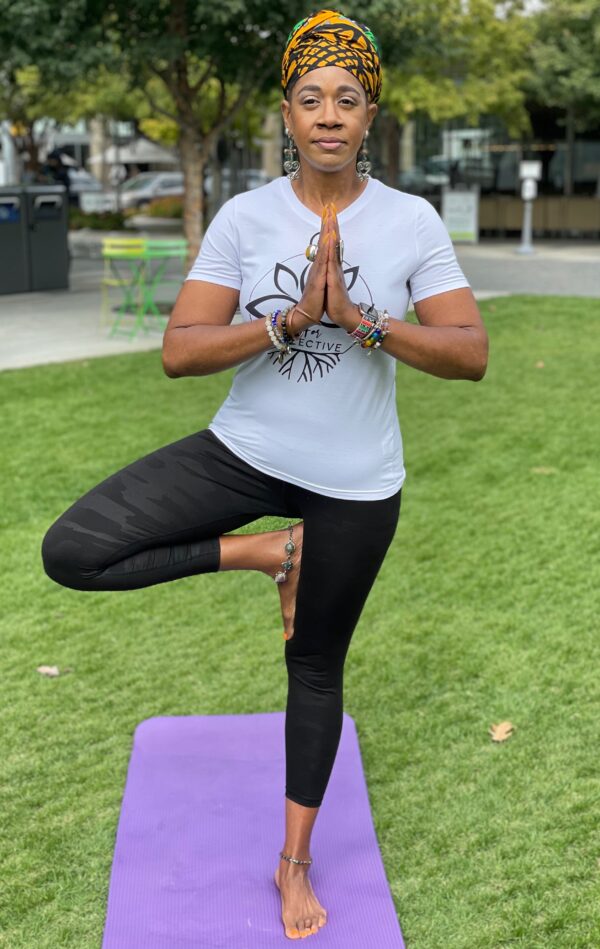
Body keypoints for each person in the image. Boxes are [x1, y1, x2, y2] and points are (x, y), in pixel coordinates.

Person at [41, 8, 488, 941]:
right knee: (73, 550)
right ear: (286, 113)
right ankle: (264, 551)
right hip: (243, 451)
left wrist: (365, 321)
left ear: (372, 117)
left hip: (356, 483)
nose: (330, 114)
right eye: (311, 97)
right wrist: (284, 322)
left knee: (314, 666)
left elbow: (470, 352)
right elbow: (180, 350)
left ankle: (293, 863)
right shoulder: (247, 218)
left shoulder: (410, 221)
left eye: (349, 99)